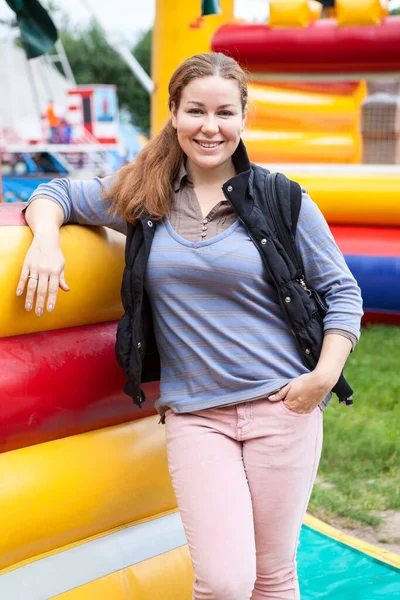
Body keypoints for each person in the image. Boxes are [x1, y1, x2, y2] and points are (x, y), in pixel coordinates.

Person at [17, 52, 363, 600]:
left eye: (225, 112)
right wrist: (44, 242)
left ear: (243, 118)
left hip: (282, 409)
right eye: (196, 110)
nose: (210, 126)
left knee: (272, 577)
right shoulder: (143, 196)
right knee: (225, 582)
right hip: (197, 417)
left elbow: (342, 292)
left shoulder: (282, 199)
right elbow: (54, 193)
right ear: (174, 114)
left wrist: (322, 377)